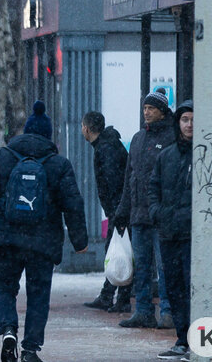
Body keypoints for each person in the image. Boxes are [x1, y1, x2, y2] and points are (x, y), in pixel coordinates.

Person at [0, 100, 88, 362]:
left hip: (7, 238)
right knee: (38, 295)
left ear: (24, 133)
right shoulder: (59, 164)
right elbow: (73, 202)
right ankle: (30, 349)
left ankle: (8, 330)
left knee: (4, 288)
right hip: (43, 242)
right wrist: (80, 241)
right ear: (48, 135)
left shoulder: (3, 156)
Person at [113, 90, 176, 329]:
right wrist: (122, 210)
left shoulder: (171, 137)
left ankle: (168, 311)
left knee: (164, 267)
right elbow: (131, 177)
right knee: (141, 267)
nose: (147, 112)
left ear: (162, 110)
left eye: (151, 108)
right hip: (138, 215)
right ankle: (143, 310)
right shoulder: (138, 139)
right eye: (144, 108)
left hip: (160, 216)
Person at [147, 100, 194, 360]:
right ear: (178, 123)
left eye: (192, 119)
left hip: (192, 236)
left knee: (191, 287)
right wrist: (158, 213)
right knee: (174, 287)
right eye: (185, 119)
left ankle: (196, 339)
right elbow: (153, 186)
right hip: (169, 233)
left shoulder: (204, 153)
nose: (189, 124)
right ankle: (182, 338)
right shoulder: (167, 155)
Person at [80, 111, 132, 313]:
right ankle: (110, 294)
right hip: (119, 209)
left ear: (86, 128)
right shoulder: (107, 144)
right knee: (117, 250)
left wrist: (117, 211)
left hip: (119, 210)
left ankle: (120, 297)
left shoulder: (105, 148)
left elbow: (113, 181)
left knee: (119, 252)